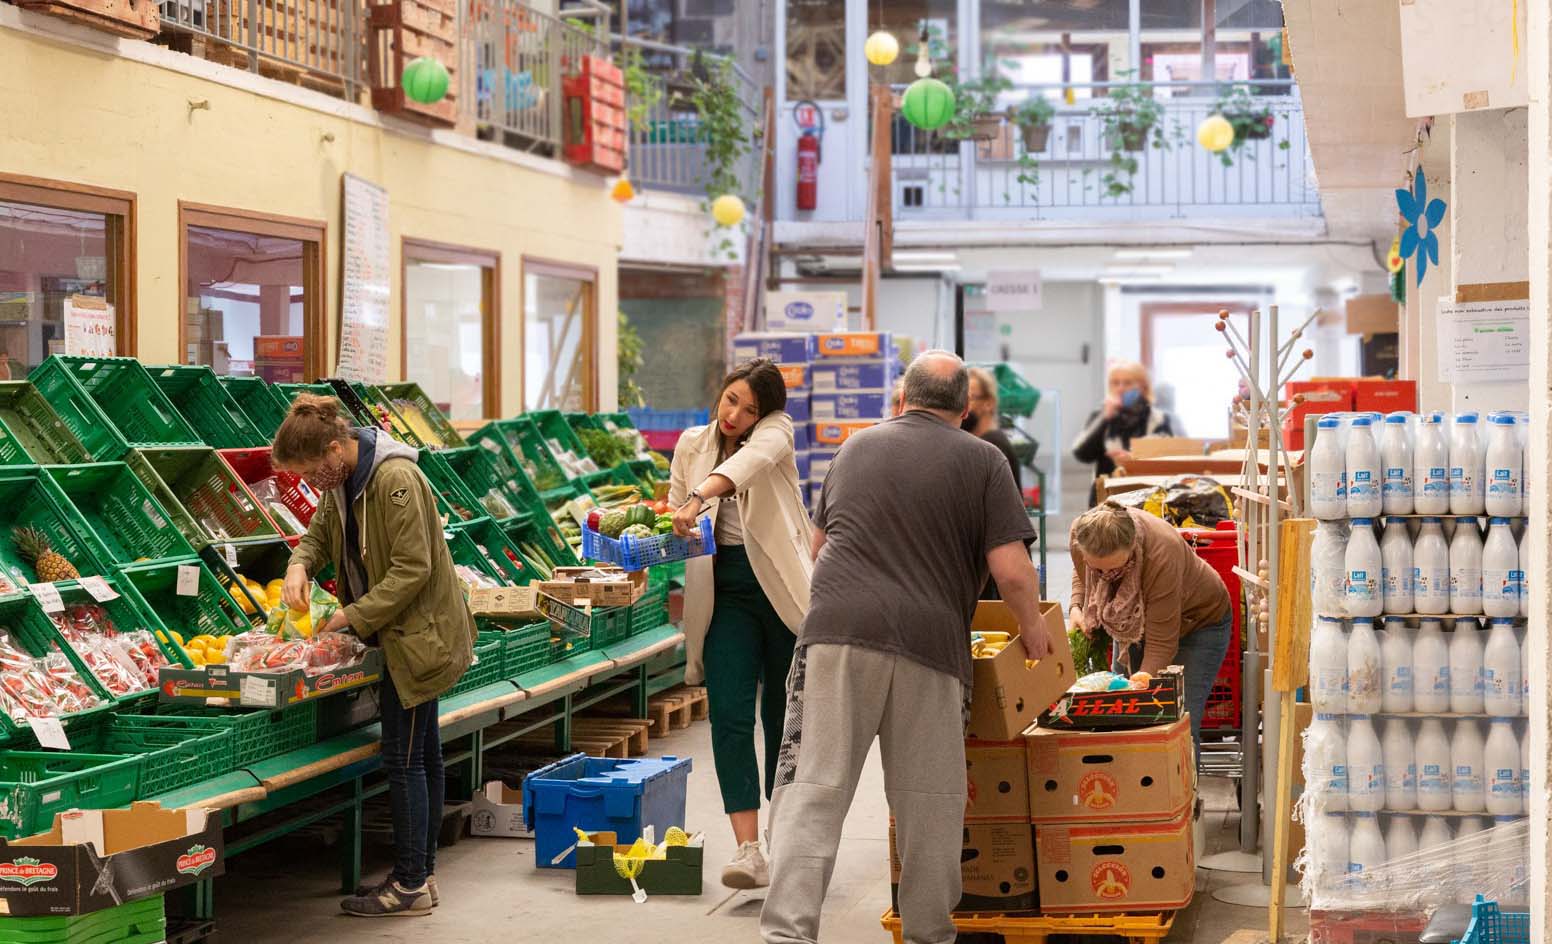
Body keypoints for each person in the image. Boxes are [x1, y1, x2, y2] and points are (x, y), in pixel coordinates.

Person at [761, 351, 1052, 944]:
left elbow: (817, 552)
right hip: (930, 644)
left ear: (901, 398)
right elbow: (1013, 572)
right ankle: (928, 934)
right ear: (966, 410)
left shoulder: (855, 449)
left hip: (836, 636)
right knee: (931, 803)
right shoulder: (986, 460)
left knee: (813, 790)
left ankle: (786, 935)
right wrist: (1035, 632)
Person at [276, 394, 475, 918]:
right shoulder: (345, 481)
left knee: (404, 760)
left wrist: (351, 617)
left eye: (312, 470)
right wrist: (299, 565)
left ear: (336, 448)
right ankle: (422, 876)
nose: (312, 481)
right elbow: (319, 534)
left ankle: (408, 884)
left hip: (418, 638)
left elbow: (413, 569)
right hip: (400, 636)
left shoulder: (393, 482)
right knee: (424, 755)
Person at [669, 359, 812, 889]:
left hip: (778, 589)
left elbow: (748, 465)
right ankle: (748, 849)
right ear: (720, 391)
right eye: (731, 399)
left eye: (748, 408)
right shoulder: (690, 443)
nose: (735, 414)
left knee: (782, 717)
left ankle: (787, 836)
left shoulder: (777, 432)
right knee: (728, 714)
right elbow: (675, 508)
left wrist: (701, 495)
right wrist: (659, 540)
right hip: (723, 592)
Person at [1067, 500, 1231, 758]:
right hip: (1131, 622)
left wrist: (1141, 681)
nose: (1106, 576)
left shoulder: (1162, 552)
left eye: (1115, 569)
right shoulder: (1081, 532)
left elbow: (1161, 644)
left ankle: (1180, 793)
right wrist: (1077, 606)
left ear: (1132, 549)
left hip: (1197, 623)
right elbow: (1082, 573)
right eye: (1097, 569)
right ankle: (1132, 788)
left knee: (1176, 721)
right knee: (1118, 715)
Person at [1072, 360, 1176, 505]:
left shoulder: (1157, 419)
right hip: (1105, 500)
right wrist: (1105, 418)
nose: (1120, 388)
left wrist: (1134, 460)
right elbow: (1082, 454)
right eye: (1115, 383)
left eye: (1127, 383)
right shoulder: (1100, 416)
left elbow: (1167, 459)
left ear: (1142, 386)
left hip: (1146, 499)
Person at [964, 367, 1022, 492]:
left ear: (989, 403)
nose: (963, 405)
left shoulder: (991, 446)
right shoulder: (986, 443)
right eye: (961, 399)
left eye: (970, 398)